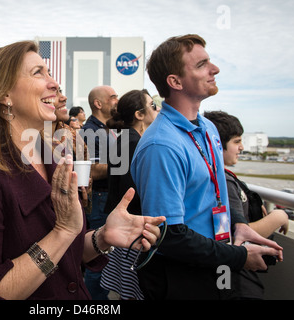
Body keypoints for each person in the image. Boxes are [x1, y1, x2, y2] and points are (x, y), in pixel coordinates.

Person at [0, 40, 165, 300]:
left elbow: (67, 255)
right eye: (38, 73)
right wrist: (62, 232)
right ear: (4, 94)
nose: (54, 83)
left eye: (49, 72)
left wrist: (102, 237)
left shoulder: (49, 155)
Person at [130, 34, 283, 300]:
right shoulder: (161, 145)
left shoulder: (208, 127)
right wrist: (240, 256)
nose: (215, 69)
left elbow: (213, 192)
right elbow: (169, 235)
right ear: (175, 82)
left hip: (215, 259)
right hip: (181, 274)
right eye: (202, 65)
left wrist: (239, 224)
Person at [204, 110, 289, 299]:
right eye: (236, 141)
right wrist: (279, 217)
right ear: (218, 143)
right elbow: (231, 233)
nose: (241, 147)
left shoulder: (218, 177)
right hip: (236, 278)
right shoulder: (222, 182)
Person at [100, 89, 160, 300]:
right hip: (130, 227)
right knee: (127, 290)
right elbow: (131, 189)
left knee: (119, 289)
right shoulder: (133, 142)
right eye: (152, 105)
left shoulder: (125, 138)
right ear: (139, 114)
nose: (158, 109)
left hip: (122, 224)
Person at [82, 85, 119, 299]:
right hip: (98, 200)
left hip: (107, 199)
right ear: (98, 104)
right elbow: (92, 170)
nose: (117, 101)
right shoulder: (90, 131)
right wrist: (123, 164)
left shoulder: (108, 128)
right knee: (98, 261)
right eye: (113, 97)